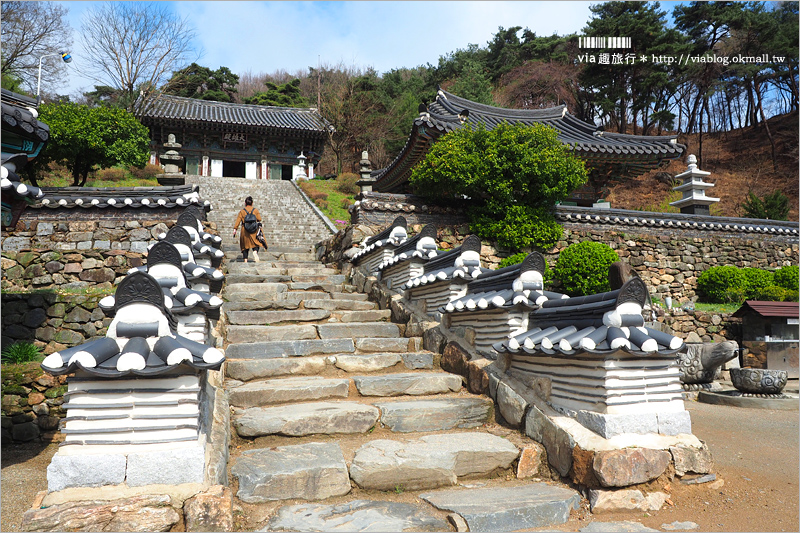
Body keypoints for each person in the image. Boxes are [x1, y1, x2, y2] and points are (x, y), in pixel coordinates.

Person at [233, 196, 262, 262]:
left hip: (245, 230)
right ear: (252, 203)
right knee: (256, 242)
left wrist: (235, 229)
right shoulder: (255, 210)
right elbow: (259, 219)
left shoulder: (242, 211)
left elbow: (238, 221)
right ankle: (255, 251)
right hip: (254, 229)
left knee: (244, 245)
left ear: (245, 203)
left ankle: (245, 260)